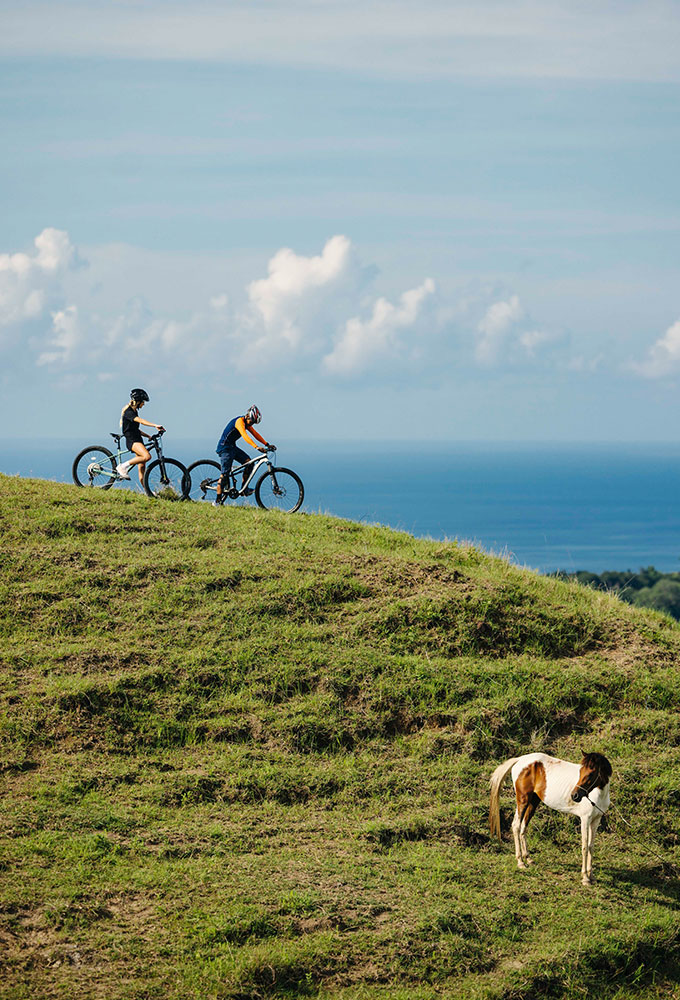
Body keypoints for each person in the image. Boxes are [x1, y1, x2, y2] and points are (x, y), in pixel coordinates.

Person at [214, 405, 275, 505]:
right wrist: (256, 447)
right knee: (224, 474)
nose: (252, 424)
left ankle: (244, 489)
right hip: (224, 448)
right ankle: (217, 501)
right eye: (252, 421)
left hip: (232, 447)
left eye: (253, 423)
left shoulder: (247, 423)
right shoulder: (239, 422)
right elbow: (245, 436)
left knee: (249, 463)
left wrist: (267, 444)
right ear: (247, 416)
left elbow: (255, 434)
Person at [116, 389, 166, 484]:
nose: (144, 404)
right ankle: (123, 467)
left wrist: (148, 436)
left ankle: (146, 491)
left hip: (138, 439)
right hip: (132, 440)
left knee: (142, 467)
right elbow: (141, 421)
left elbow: (135, 429)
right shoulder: (128, 411)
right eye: (143, 402)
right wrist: (155, 425)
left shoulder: (134, 411)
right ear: (138, 401)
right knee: (147, 456)